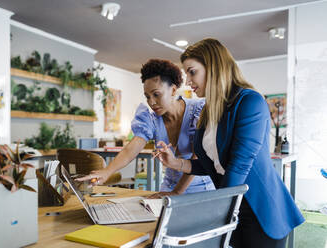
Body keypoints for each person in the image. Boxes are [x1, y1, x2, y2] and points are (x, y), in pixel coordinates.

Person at [154, 38, 304, 248]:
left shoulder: (250, 101)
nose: (188, 81)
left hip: (260, 211)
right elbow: (212, 165)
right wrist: (175, 163)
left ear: (214, 67)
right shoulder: (209, 111)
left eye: (192, 72)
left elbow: (240, 164)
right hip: (234, 205)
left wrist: (214, 211)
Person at [77, 59, 215, 197]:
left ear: (173, 90)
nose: (151, 102)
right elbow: (130, 149)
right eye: (147, 97)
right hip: (169, 187)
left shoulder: (199, 111)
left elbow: (198, 157)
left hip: (201, 188)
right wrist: (107, 171)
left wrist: (177, 192)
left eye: (156, 94)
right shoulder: (150, 119)